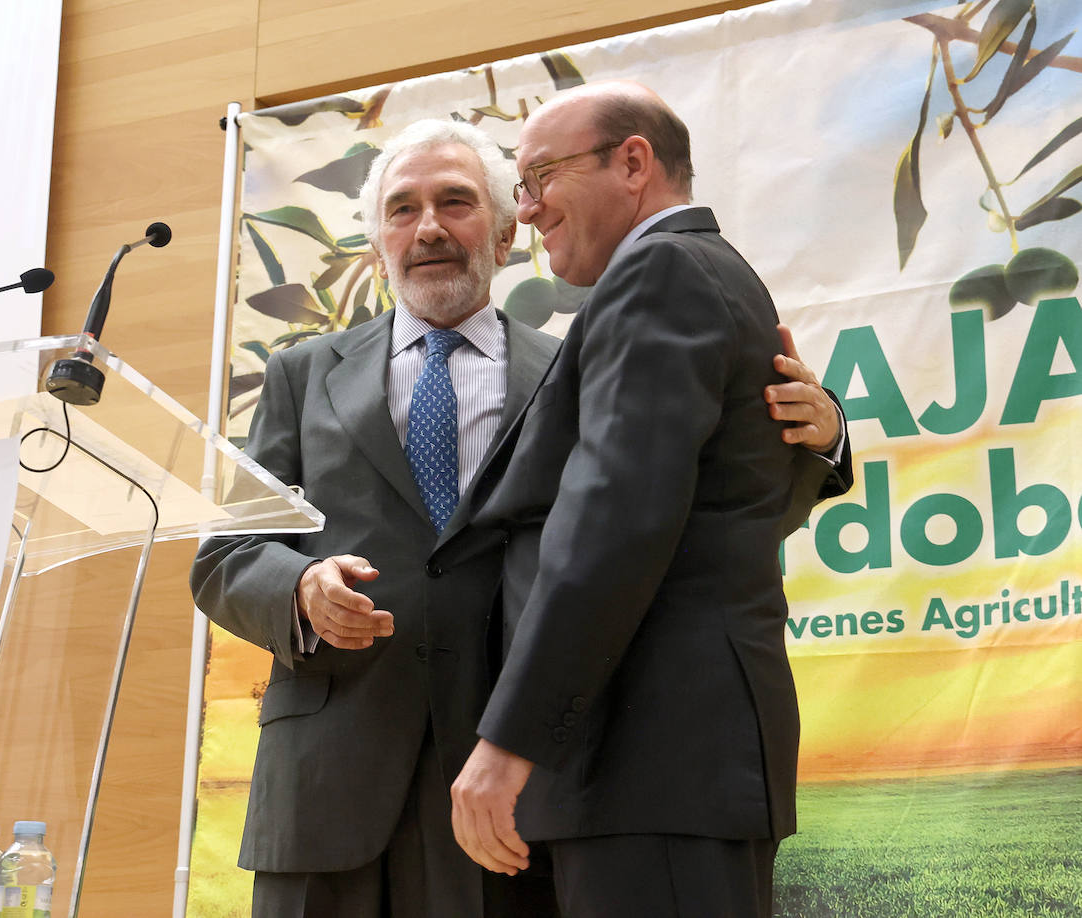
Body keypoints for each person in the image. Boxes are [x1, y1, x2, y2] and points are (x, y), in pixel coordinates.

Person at [192, 116, 844, 917]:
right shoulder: (299, 375)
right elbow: (224, 555)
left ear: (506, 235)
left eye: (456, 202)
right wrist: (298, 587)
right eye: (403, 209)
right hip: (329, 788)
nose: (428, 226)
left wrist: (824, 442)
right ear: (377, 246)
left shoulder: (574, 363)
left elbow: (673, 512)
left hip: (520, 785)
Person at [447, 81, 854, 918]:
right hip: (653, 771)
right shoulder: (685, 275)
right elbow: (723, 494)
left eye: (538, 178)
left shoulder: (660, 271)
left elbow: (614, 520)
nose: (524, 212)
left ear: (633, 163)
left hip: (652, 760)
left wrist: (508, 741)